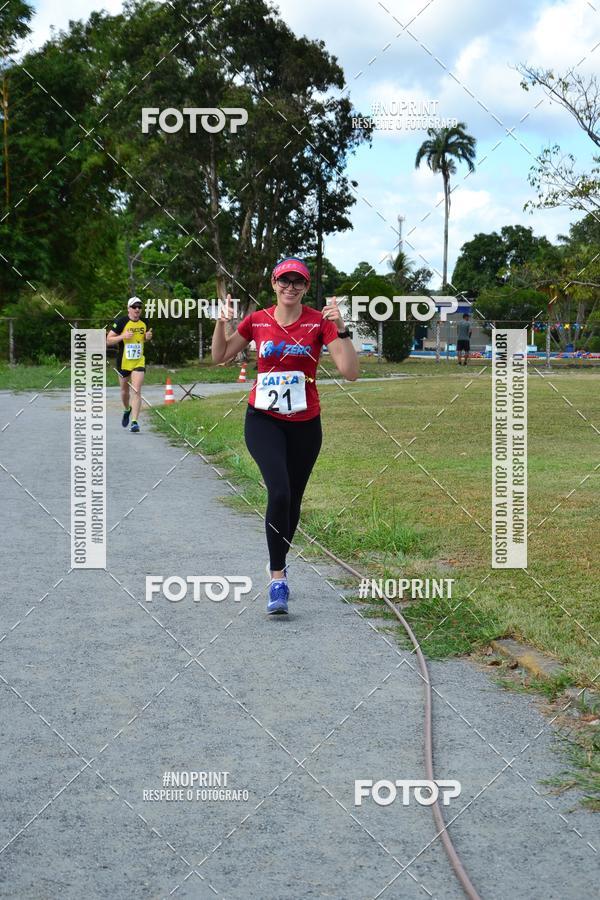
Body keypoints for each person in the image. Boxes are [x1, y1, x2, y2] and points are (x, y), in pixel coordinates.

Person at [211, 256, 359, 615]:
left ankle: (279, 557)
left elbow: (350, 371)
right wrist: (222, 323)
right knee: (278, 491)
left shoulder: (319, 323)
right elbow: (219, 356)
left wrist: (341, 329)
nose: (291, 287)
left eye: (299, 282)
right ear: (274, 284)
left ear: (306, 288)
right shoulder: (257, 320)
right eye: (284, 280)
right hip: (263, 419)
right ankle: (278, 579)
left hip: (306, 423)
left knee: (292, 501)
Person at [106, 297, 153, 432]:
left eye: (139, 307)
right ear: (129, 309)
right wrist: (122, 336)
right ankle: (127, 409)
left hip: (139, 360)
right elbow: (108, 341)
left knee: (136, 390)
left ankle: (134, 422)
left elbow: (144, 338)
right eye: (134, 307)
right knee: (124, 391)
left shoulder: (145, 322)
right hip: (124, 361)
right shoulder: (121, 322)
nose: (137, 309)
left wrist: (147, 338)